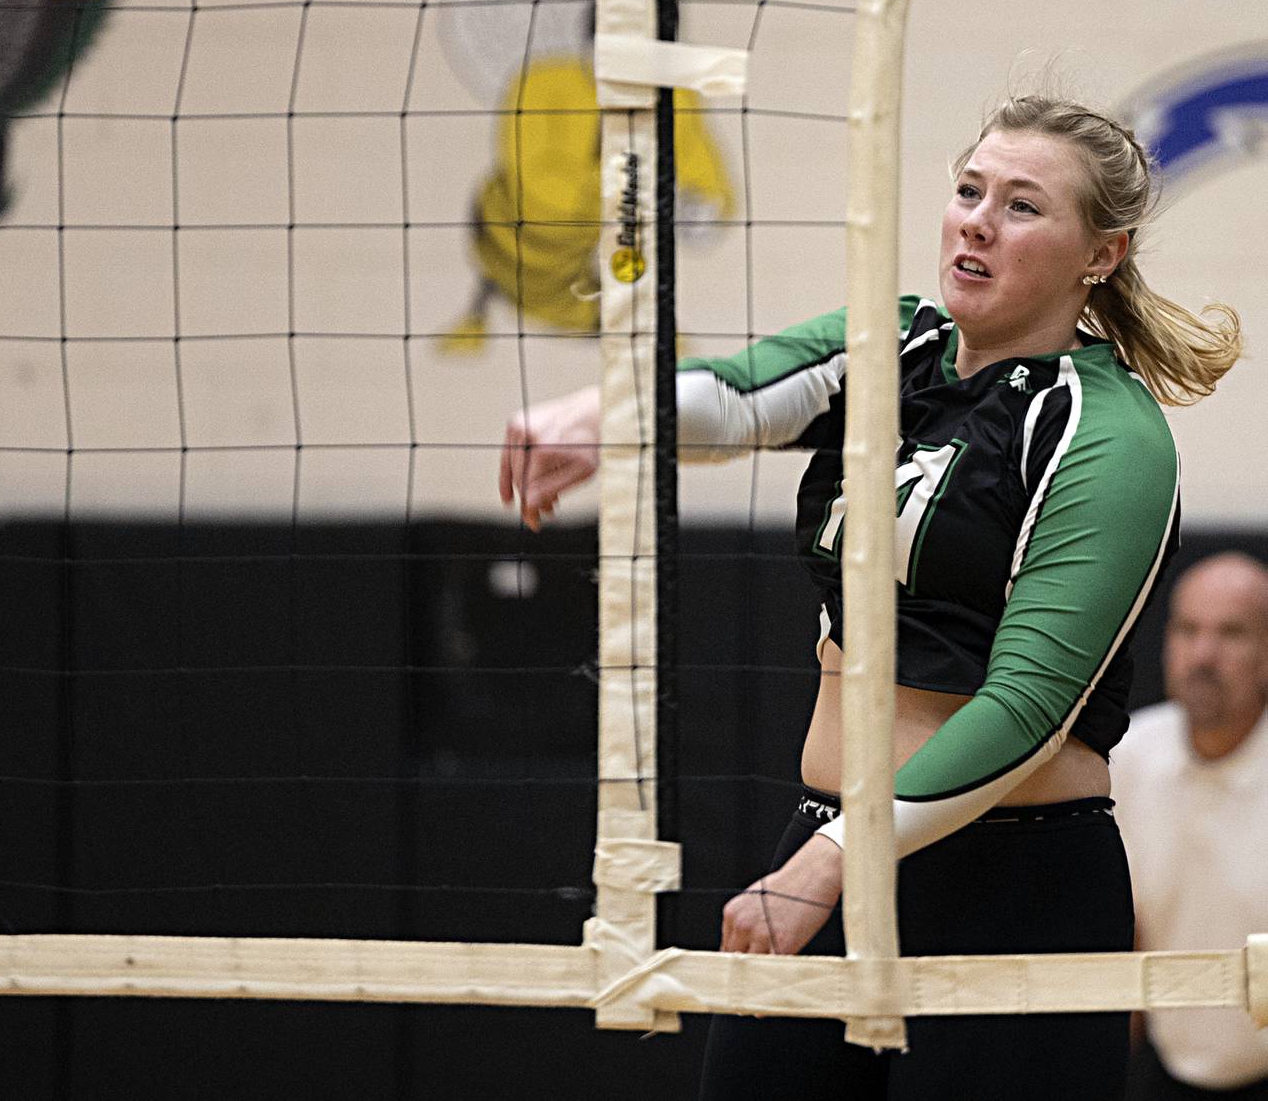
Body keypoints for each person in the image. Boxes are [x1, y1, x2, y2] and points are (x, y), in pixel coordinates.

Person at [498, 94, 1242, 1100]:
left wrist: (826, 864)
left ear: (1099, 255)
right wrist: (604, 417)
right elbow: (737, 394)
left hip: (1009, 886)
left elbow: (1028, 711)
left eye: (1022, 206)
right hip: (833, 841)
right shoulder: (897, 347)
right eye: (969, 190)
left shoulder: (1109, 434)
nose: (977, 219)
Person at [1113, 553, 1268, 1099]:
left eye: (1231, 633)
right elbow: (1126, 931)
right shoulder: (1126, 757)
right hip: (1163, 1069)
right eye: (1188, 629)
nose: (1203, 654)